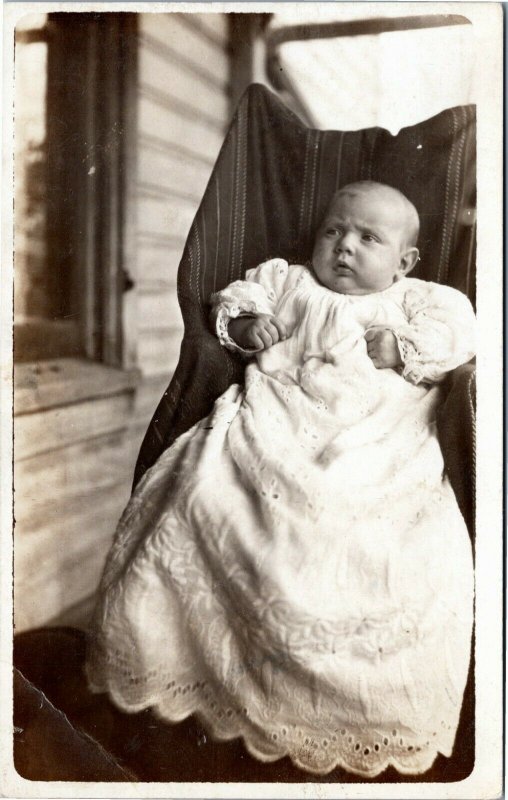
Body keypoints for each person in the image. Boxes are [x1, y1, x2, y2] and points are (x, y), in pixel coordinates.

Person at [86, 181, 475, 778]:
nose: (344, 247)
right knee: (203, 488)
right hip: (279, 419)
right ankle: (203, 682)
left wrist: (401, 348)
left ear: (404, 261)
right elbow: (235, 300)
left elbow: (460, 337)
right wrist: (246, 330)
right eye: (333, 230)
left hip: (376, 437)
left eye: (367, 238)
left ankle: (346, 706)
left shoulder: (419, 300)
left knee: (389, 542)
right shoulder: (289, 281)